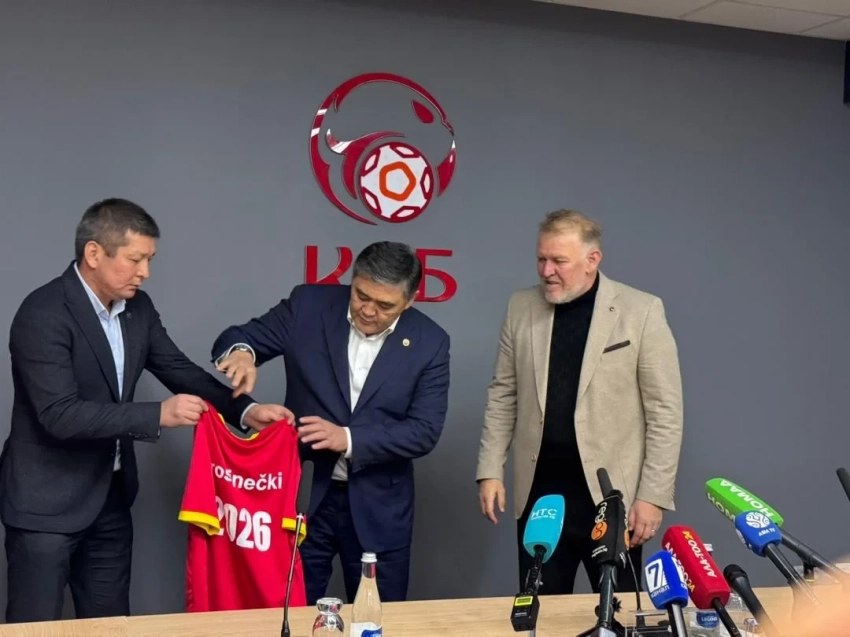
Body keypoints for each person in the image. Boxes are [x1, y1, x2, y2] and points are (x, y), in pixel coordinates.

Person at [0, 198, 292, 623]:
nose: (145, 272)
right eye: (135, 259)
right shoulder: (43, 313)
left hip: (111, 497)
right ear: (94, 253)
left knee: (111, 625)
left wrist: (245, 412)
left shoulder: (138, 307)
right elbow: (59, 415)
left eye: (149, 260)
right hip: (44, 505)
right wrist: (156, 415)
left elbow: (178, 370)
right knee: (34, 626)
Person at [210, 241, 450, 604]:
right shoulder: (308, 305)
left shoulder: (430, 342)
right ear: (353, 280)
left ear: (410, 300)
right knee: (289, 612)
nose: (368, 310)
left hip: (380, 508)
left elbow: (423, 431)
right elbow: (237, 338)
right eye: (361, 295)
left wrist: (348, 439)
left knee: (377, 618)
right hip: (304, 498)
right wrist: (243, 354)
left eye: (385, 305)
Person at [475, 209, 684, 595]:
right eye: (541, 259)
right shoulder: (520, 306)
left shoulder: (641, 311)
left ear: (592, 259)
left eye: (559, 261)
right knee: (540, 612)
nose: (547, 270)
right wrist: (490, 469)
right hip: (540, 496)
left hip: (612, 498)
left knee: (618, 612)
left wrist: (652, 496)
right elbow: (503, 392)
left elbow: (665, 412)